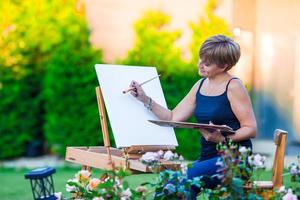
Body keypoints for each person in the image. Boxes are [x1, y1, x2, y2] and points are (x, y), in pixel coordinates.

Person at [129, 34, 257, 198]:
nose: (201, 65)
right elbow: (172, 117)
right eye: (200, 59)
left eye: (207, 63)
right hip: (208, 158)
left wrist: (223, 139)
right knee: (166, 185)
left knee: (185, 182)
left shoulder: (234, 86)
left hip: (234, 160)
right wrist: (144, 98)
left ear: (224, 65)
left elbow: (251, 128)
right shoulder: (200, 85)